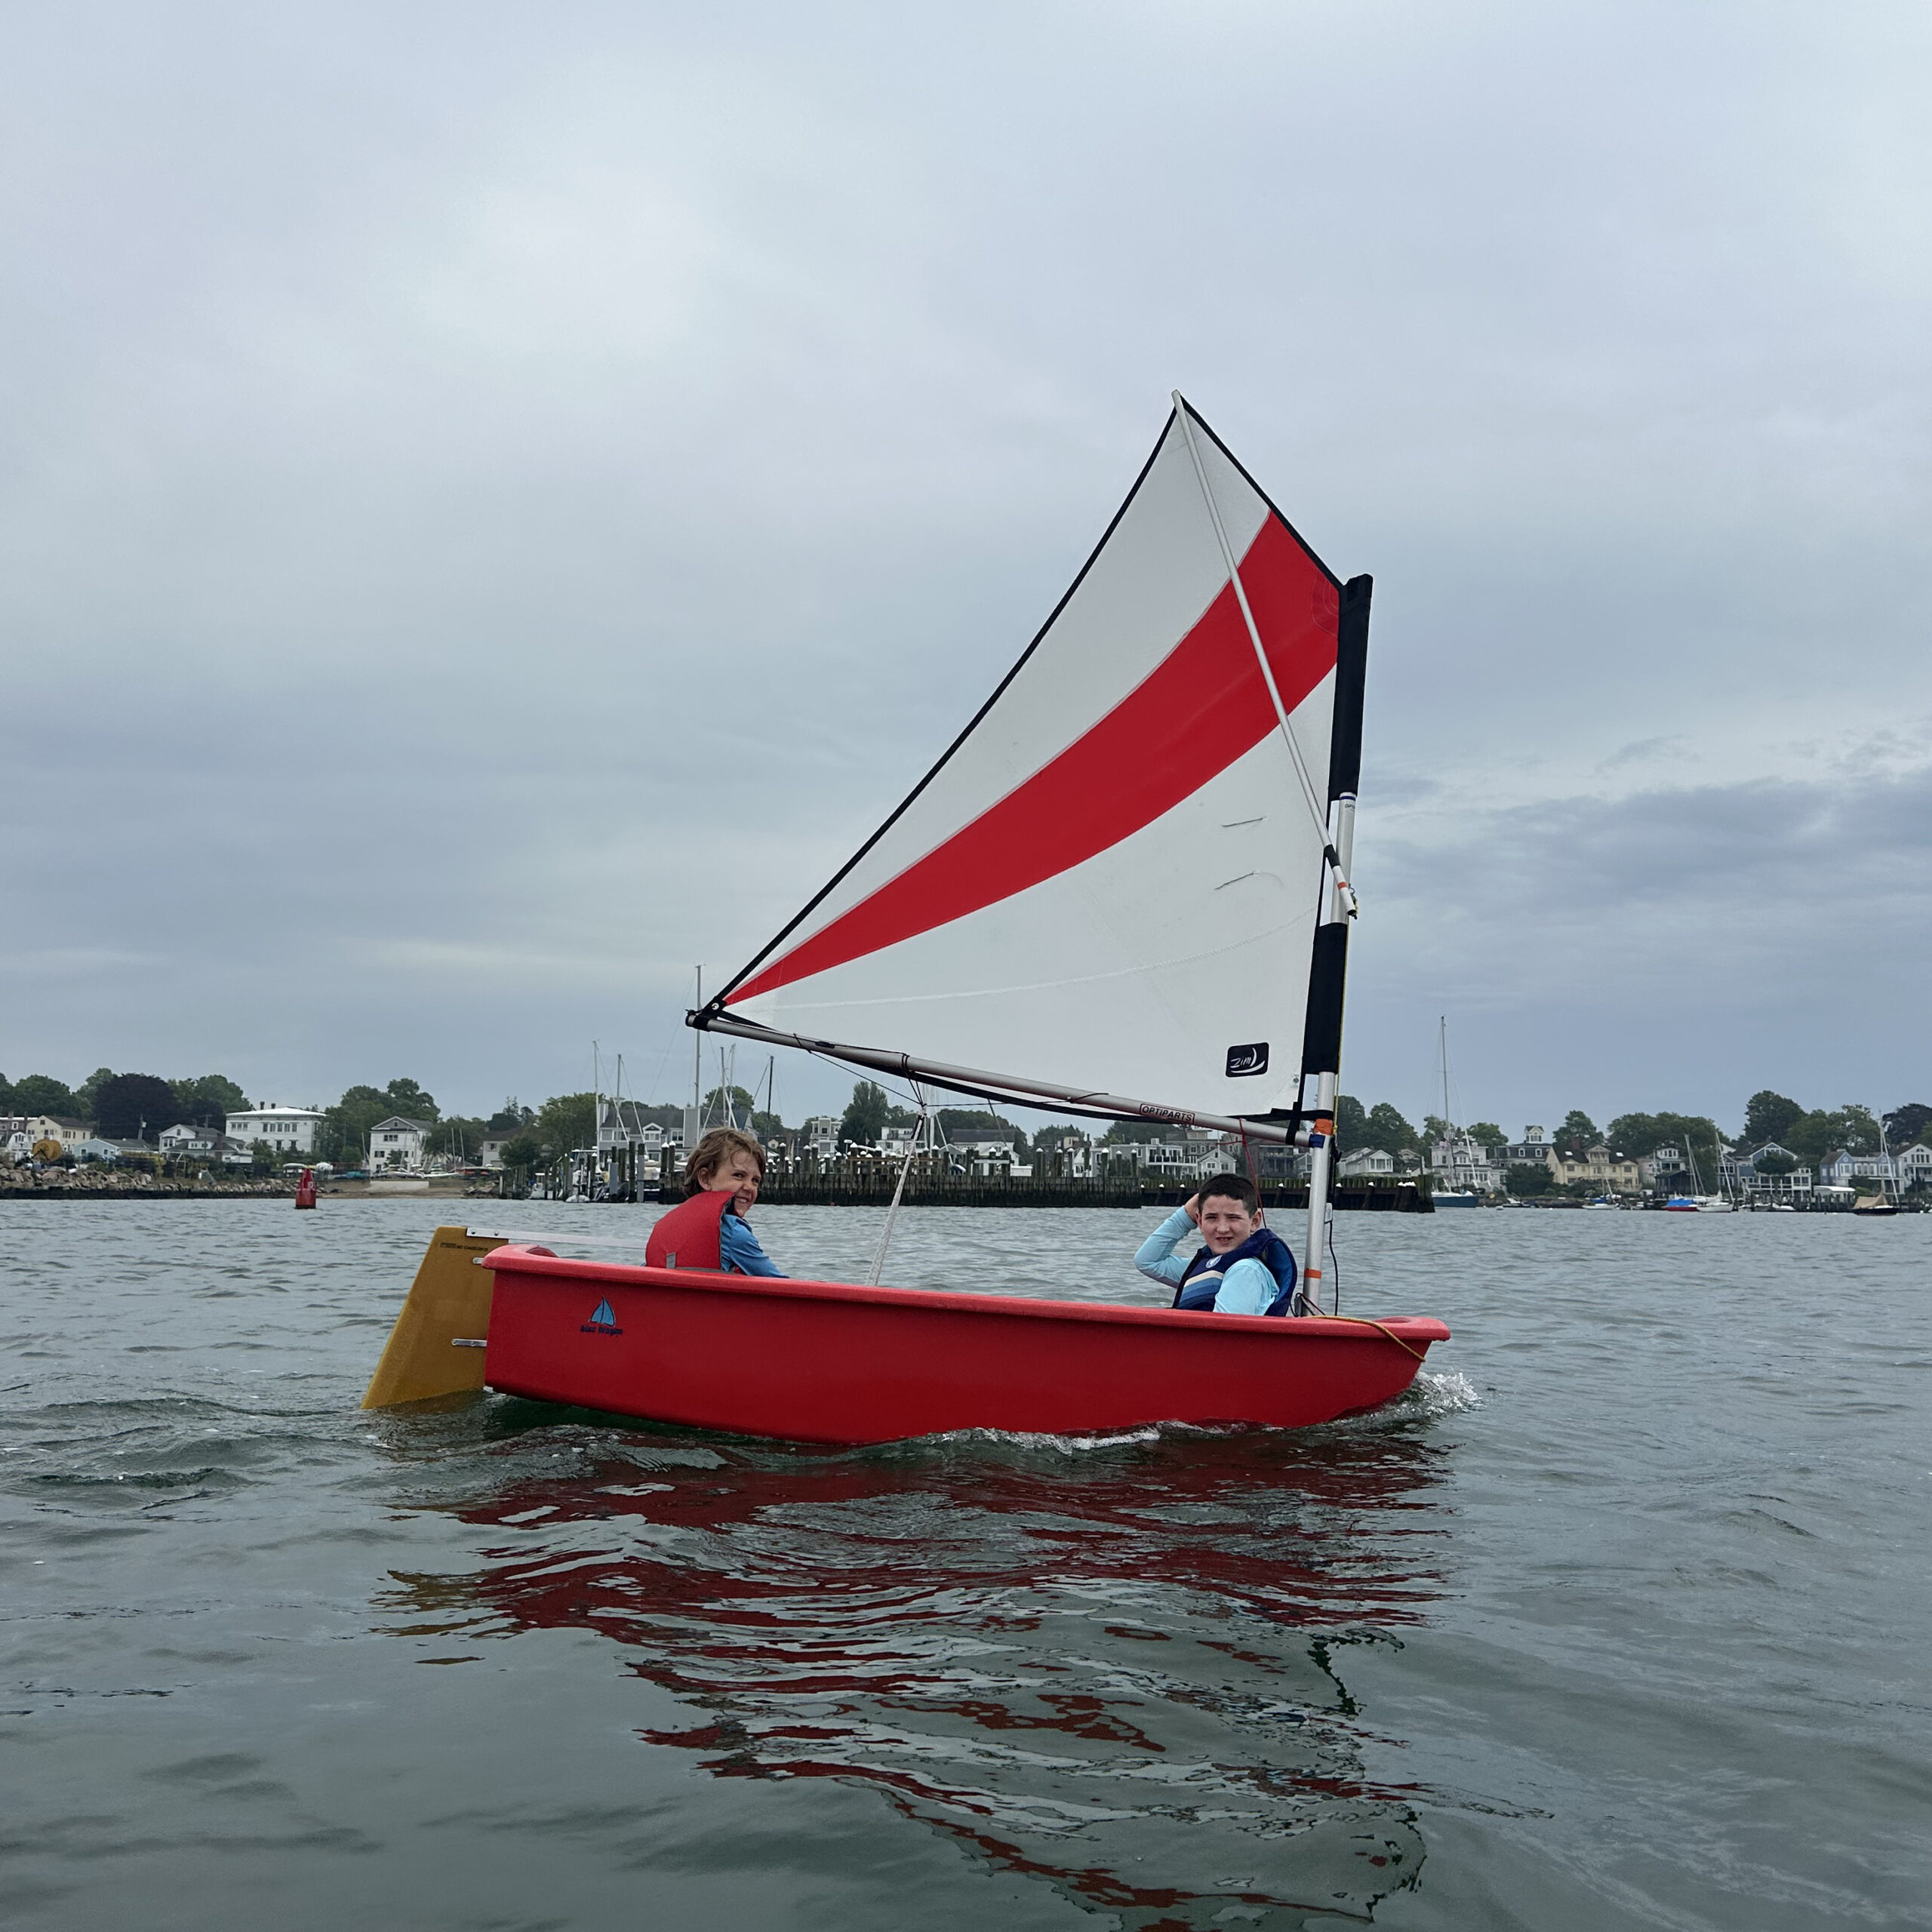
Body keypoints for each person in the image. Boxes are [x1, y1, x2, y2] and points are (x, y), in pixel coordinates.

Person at [1134, 1172, 1299, 1315]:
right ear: (1199, 1221)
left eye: (1233, 1218)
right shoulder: (1206, 1268)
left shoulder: (1246, 1271)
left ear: (1255, 1221)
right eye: (1211, 1218)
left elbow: (1223, 1334)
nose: (1222, 1229)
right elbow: (1147, 1261)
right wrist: (1185, 1216)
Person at [645, 1128, 786, 1277]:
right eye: (739, 1175)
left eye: (755, 1180)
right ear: (705, 1179)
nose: (749, 1187)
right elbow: (781, 1286)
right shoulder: (734, 1233)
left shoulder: (664, 1224)